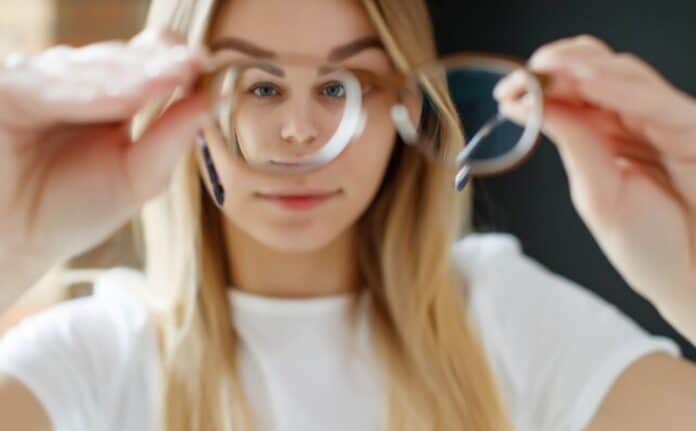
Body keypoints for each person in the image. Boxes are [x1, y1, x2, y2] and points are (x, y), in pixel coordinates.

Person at [0, 0, 695, 430]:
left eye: (343, 84)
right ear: (180, 104)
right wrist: (13, 245)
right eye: (259, 84)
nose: (301, 131)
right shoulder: (94, 356)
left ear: (407, 108)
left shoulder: (501, 317)